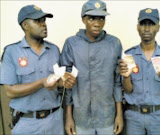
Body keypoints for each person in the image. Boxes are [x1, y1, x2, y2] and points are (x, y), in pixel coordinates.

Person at [0, 5, 76, 135]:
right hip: (26, 123)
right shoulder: (11, 52)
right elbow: (10, 91)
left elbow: (57, 83)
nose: (43, 25)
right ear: (25, 25)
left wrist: (64, 83)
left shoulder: (54, 50)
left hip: (54, 121)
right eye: (38, 21)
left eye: (44, 20)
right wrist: (41, 83)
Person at [61, 0, 123, 135]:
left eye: (101, 18)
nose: (97, 23)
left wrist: (119, 115)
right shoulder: (72, 44)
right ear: (83, 19)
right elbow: (67, 86)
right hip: (81, 117)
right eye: (91, 18)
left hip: (107, 116)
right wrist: (68, 117)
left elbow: (117, 82)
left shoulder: (114, 43)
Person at [118, 8, 160, 135]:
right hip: (134, 117)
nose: (147, 29)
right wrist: (126, 77)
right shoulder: (129, 56)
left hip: (159, 116)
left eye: (151, 24)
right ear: (137, 27)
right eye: (143, 24)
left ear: (158, 27)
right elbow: (128, 90)